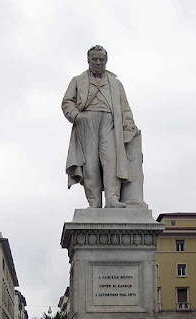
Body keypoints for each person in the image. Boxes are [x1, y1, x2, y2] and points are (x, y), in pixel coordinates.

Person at [62, 45, 140, 208]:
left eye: (101, 60)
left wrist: (129, 125)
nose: (98, 63)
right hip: (87, 121)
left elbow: (124, 107)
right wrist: (77, 116)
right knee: (90, 163)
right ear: (88, 60)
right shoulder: (78, 80)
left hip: (110, 122)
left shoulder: (115, 83)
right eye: (95, 59)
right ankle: (94, 201)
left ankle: (112, 199)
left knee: (111, 160)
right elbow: (67, 102)